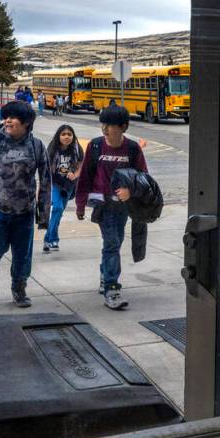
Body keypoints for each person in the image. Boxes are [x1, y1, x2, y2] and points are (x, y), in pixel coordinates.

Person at [0, 100, 49, 307]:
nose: (7, 120)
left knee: (23, 255)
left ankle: (19, 288)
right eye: (6, 116)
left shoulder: (37, 146)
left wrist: (44, 214)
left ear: (26, 122)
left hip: (25, 212)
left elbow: (46, 180)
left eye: (13, 117)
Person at [75, 105, 148, 310]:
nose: (105, 129)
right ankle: (111, 289)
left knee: (115, 242)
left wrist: (131, 193)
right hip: (103, 206)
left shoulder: (133, 149)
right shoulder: (96, 146)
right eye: (103, 124)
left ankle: (105, 273)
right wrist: (80, 204)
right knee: (112, 244)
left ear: (123, 127)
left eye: (110, 125)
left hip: (124, 207)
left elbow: (144, 177)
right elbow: (86, 176)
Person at [43, 124, 83, 253]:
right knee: (57, 208)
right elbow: (46, 167)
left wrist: (75, 175)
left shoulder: (77, 148)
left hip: (69, 185)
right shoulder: (53, 148)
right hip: (54, 183)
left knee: (59, 213)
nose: (66, 137)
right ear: (58, 136)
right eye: (63, 134)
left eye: (69, 134)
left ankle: (49, 238)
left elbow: (82, 164)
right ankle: (51, 239)